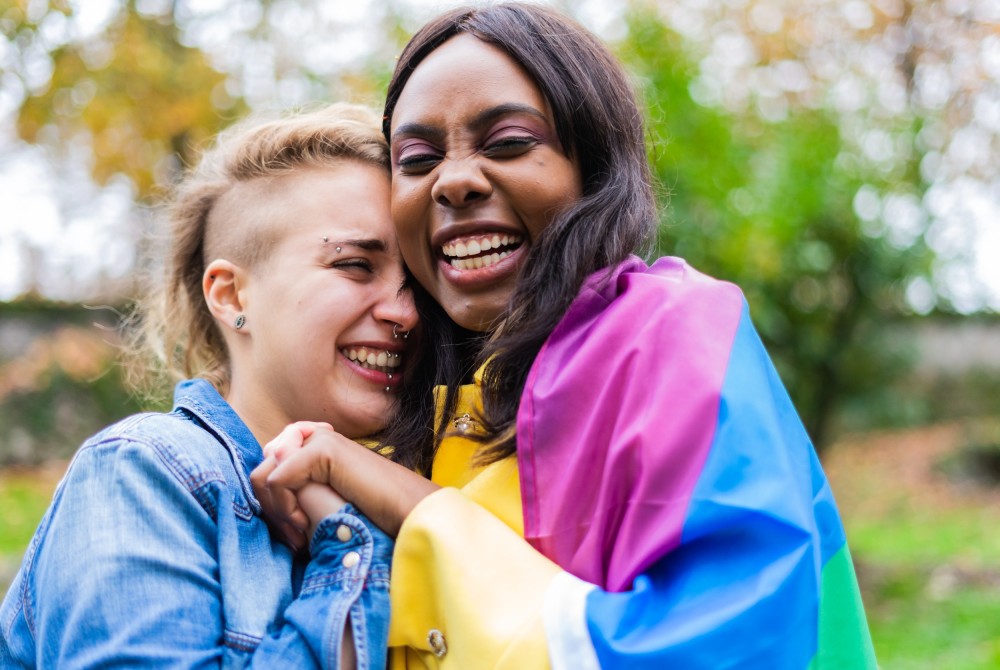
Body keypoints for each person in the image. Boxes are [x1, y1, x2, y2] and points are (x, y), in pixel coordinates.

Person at [256, 3, 878, 668]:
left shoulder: (673, 333)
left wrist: (413, 515)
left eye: (508, 142)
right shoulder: (401, 393)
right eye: (417, 158)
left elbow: (728, 640)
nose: (455, 181)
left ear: (594, 168)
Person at [0, 103, 419, 669]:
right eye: (355, 265)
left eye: (417, 281)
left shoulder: (418, 482)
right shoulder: (143, 471)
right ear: (230, 295)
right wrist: (349, 547)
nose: (405, 312)